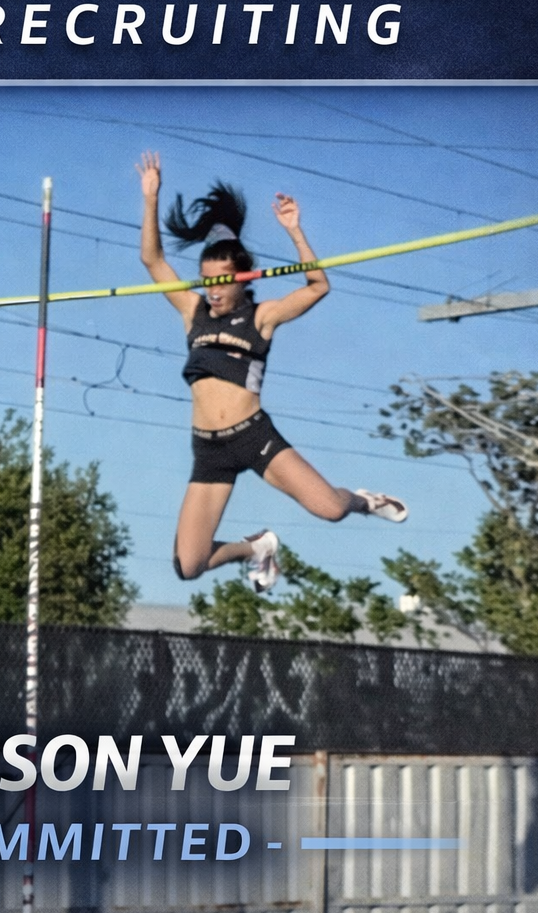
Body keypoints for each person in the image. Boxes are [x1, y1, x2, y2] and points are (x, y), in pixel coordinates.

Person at [136, 152, 407, 587]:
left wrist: (295, 231)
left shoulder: (263, 317)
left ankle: (364, 501)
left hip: (253, 436)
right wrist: (151, 198)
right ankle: (257, 547)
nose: (213, 290)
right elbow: (152, 261)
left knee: (332, 510)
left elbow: (319, 285)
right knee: (188, 565)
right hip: (209, 450)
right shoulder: (193, 312)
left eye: (222, 281)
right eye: (207, 281)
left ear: (244, 279)